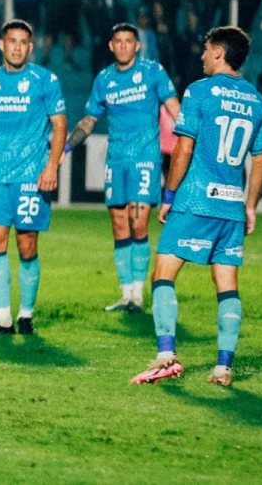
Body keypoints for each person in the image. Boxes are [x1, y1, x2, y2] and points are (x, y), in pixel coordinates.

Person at [131, 26, 262, 387]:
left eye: (207, 49)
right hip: (232, 206)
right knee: (227, 285)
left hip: (195, 200)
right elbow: (259, 161)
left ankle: (166, 356)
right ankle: (223, 368)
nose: (202, 55)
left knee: (163, 274)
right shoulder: (257, 100)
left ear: (220, 52)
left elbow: (184, 148)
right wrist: (250, 206)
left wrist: (169, 195)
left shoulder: (199, 91)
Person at [0, 20, 68, 335]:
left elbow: (60, 125)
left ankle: (26, 315)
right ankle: (3, 319)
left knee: (26, 243)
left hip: (31, 177)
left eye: (23, 42)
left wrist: (51, 166)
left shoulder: (44, 80)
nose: (17, 47)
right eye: (12, 41)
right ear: (1, 45)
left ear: (30, 48)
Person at [63, 24, 181, 311]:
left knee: (138, 223)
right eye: (119, 41)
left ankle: (138, 296)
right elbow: (89, 120)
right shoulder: (104, 79)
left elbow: (175, 108)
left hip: (145, 158)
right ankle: (126, 294)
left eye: (129, 41)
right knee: (118, 225)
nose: (124, 45)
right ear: (111, 46)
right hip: (116, 160)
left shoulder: (153, 72)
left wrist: (192, 139)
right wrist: (65, 148)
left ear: (137, 46)